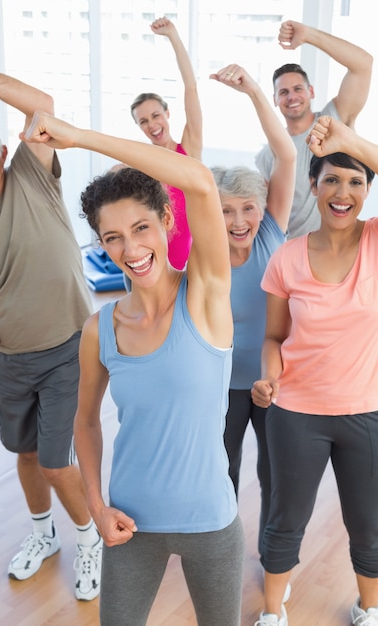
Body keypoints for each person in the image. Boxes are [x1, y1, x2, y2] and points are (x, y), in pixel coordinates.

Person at [22, 109, 244, 626]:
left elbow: (200, 182)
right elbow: (85, 421)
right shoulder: (100, 329)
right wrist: (96, 507)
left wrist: (79, 138)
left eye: (141, 227)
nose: (131, 248)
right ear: (101, 244)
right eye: (113, 236)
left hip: (210, 523)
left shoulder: (206, 297)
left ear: (167, 221)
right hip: (128, 525)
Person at [0, 65, 101, 600]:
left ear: (0, 156)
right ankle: (44, 534)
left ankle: (89, 538)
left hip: (68, 347)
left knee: (53, 460)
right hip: (10, 358)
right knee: (23, 455)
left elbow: (41, 101)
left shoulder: (29, 174)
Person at [252, 115, 378, 626]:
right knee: (286, 521)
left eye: (356, 181)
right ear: (313, 185)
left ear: (368, 189)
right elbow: (274, 338)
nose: (342, 192)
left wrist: (349, 143)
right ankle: (272, 612)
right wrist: (268, 377)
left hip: (365, 412)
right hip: (295, 412)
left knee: (368, 524)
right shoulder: (286, 258)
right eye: (331, 179)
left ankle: (370, 608)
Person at [209, 64, 295, 562]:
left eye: (247, 207)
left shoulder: (270, 233)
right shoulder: (204, 252)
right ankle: (220, 552)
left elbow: (285, 153)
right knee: (221, 470)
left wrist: (253, 91)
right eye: (225, 210)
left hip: (275, 382)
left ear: (263, 208)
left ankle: (272, 553)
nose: (238, 220)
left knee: (276, 475)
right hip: (221, 385)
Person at [255, 19, 373, 239]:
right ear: (275, 99)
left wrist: (308, 35)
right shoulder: (269, 155)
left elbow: (363, 64)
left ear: (311, 91)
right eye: (283, 92)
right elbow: (268, 215)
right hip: (298, 254)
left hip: (343, 247)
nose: (291, 97)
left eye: (298, 88)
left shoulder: (334, 121)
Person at [130, 16, 203, 270]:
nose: (152, 125)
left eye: (156, 115)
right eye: (143, 121)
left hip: (190, 265)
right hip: (153, 264)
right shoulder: (142, 163)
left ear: (167, 114)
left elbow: (191, 88)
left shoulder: (189, 150)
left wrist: (173, 37)